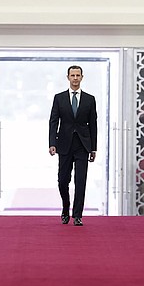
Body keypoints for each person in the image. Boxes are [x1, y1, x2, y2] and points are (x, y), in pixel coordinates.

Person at [49, 65, 98, 226]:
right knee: (63, 180)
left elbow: (93, 124)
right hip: (64, 144)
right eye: (73, 75)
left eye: (78, 75)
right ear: (68, 77)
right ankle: (65, 208)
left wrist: (93, 147)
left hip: (83, 145)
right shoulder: (59, 98)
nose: (75, 78)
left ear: (82, 77)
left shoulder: (90, 99)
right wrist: (52, 143)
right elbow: (53, 121)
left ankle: (78, 215)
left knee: (81, 180)